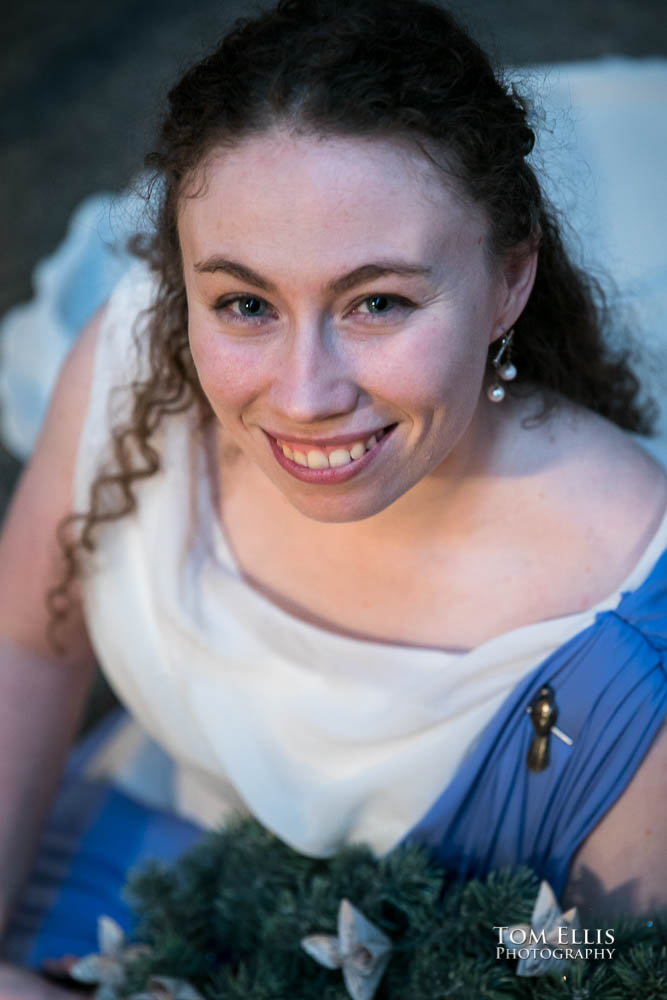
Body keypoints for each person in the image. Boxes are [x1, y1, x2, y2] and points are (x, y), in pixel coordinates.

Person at [1, 0, 666, 993]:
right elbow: (28, 647)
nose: (306, 396)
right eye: (244, 303)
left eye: (379, 303)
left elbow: (601, 954)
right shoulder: (134, 364)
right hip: (125, 853)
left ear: (509, 280)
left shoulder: (630, 630)